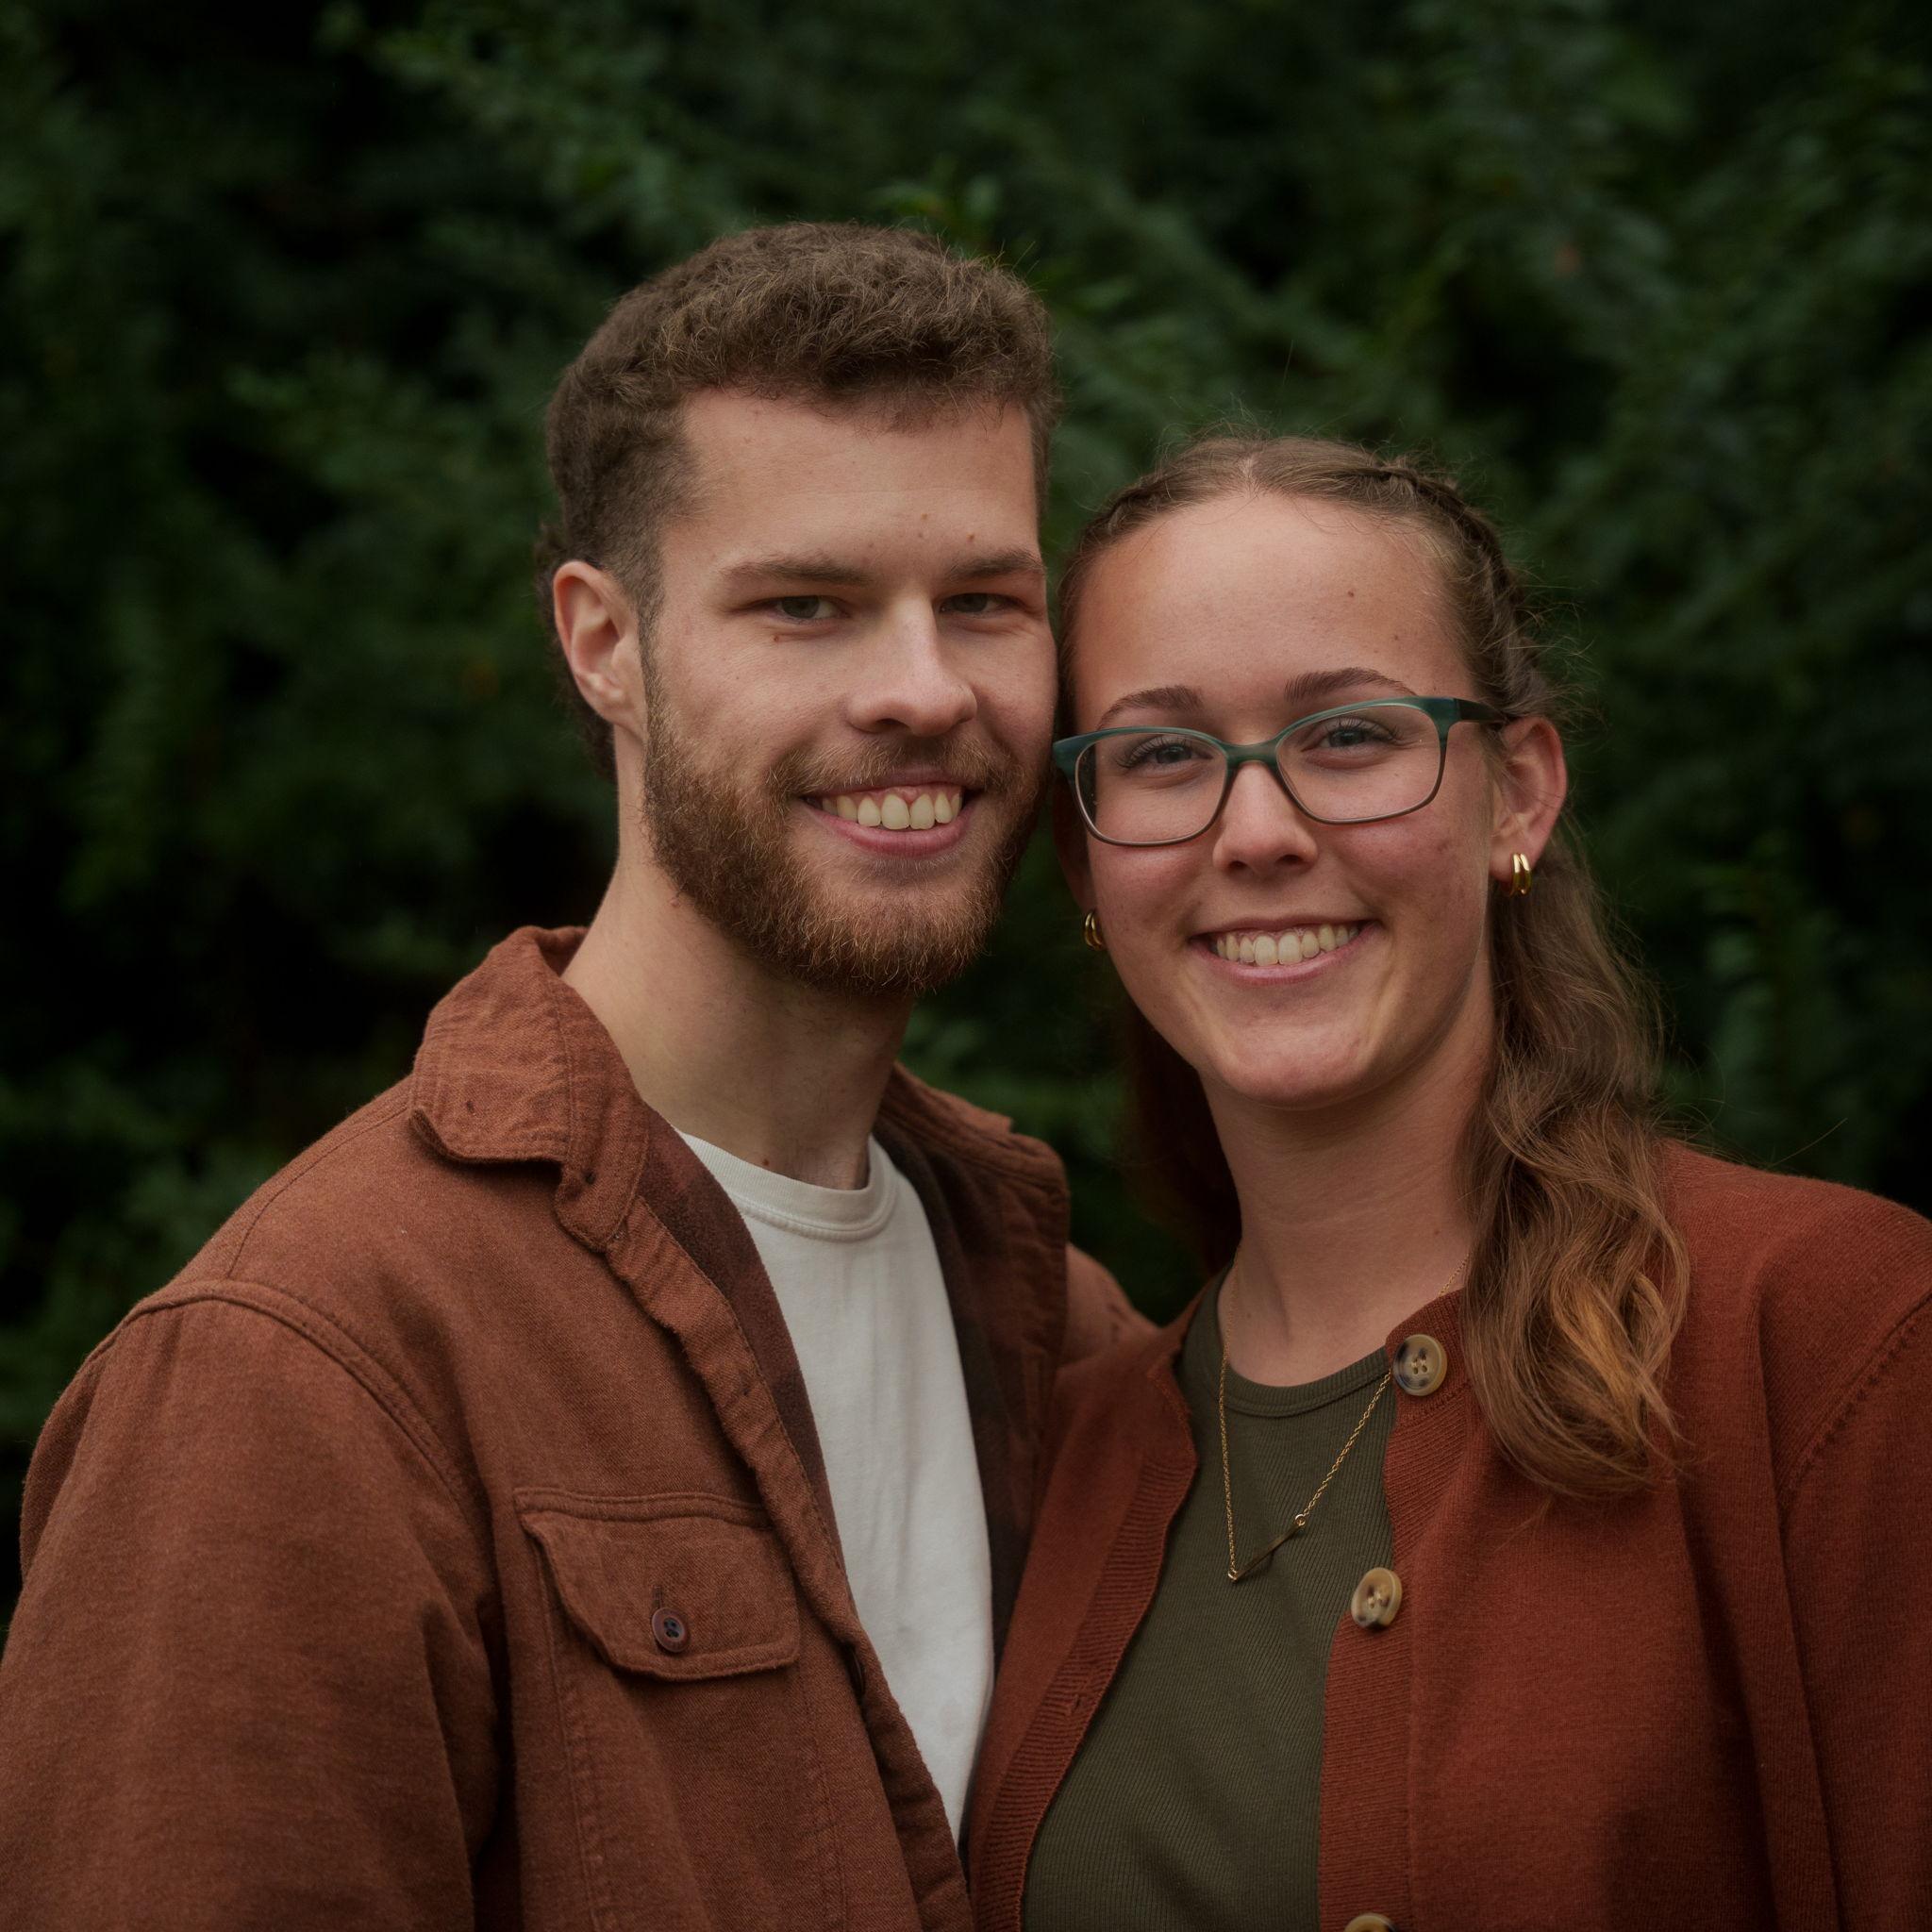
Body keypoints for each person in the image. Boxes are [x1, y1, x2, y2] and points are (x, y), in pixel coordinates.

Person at [0, 223, 1138, 1932]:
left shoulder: (1062, 1327)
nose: (922, 690)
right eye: (807, 607)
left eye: (983, 602)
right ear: (604, 643)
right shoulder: (301, 1372)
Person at [967, 435, 1932, 1931]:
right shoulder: (1062, 1461)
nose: (1259, 832)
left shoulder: (1832, 1339)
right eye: (1162, 756)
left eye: (1350, 735)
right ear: (1087, 867)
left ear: (1517, 797)